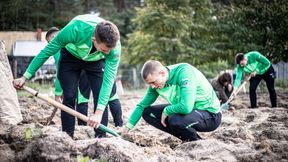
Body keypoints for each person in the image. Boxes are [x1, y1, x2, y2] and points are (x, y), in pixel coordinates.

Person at [13, 14, 121, 138]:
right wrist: (25, 77)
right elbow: (47, 52)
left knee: (99, 94)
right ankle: (67, 137)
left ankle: (101, 139)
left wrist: (98, 113)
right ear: (94, 40)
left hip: (95, 61)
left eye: (109, 50)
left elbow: (107, 82)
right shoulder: (75, 29)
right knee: (69, 96)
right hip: (70, 57)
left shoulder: (114, 48)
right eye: (104, 50)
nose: (108, 53)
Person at [123, 60, 222, 141]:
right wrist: (127, 128)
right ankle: (187, 137)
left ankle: (195, 141)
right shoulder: (156, 84)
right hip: (191, 111)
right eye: (150, 84)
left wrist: (167, 110)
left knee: (174, 120)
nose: (152, 87)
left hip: (211, 115)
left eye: (153, 82)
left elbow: (186, 107)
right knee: (147, 112)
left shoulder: (184, 72)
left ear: (162, 73)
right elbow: (141, 106)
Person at [46, 27, 123, 128]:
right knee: (110, 96)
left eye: (49, 42)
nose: (49, 44)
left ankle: (83, 127)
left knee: (84, 99)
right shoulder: (76, 37)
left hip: (88, 70)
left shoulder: (61, 46)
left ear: (54, 37)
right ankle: (119, 126)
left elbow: (59, 72)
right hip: (99, 67)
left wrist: (58, 94)